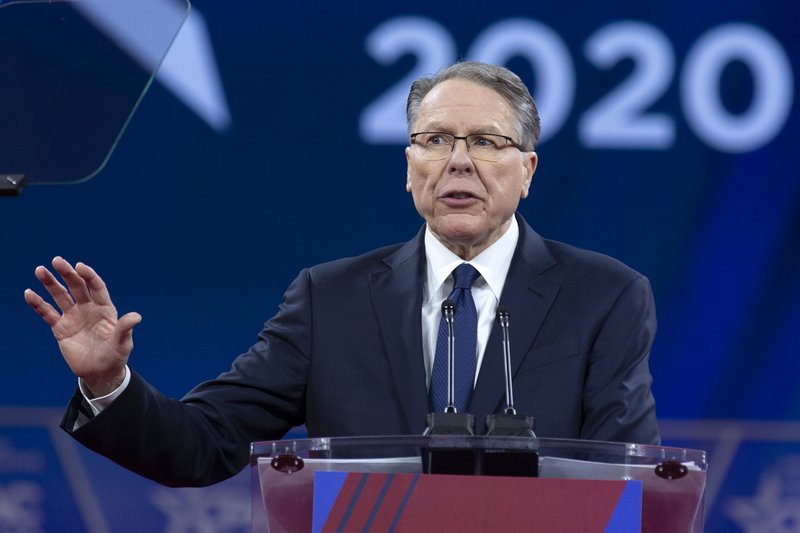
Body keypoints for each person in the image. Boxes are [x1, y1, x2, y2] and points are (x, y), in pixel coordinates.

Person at [24, 61, 659, 487]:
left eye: (486, 142)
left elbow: (624, 476)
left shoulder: (603, 296)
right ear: (409, 163)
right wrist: (109, 381)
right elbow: (204, 443)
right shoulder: (331, 299)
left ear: (527, 170)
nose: (458, 163)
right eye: (435, 140)